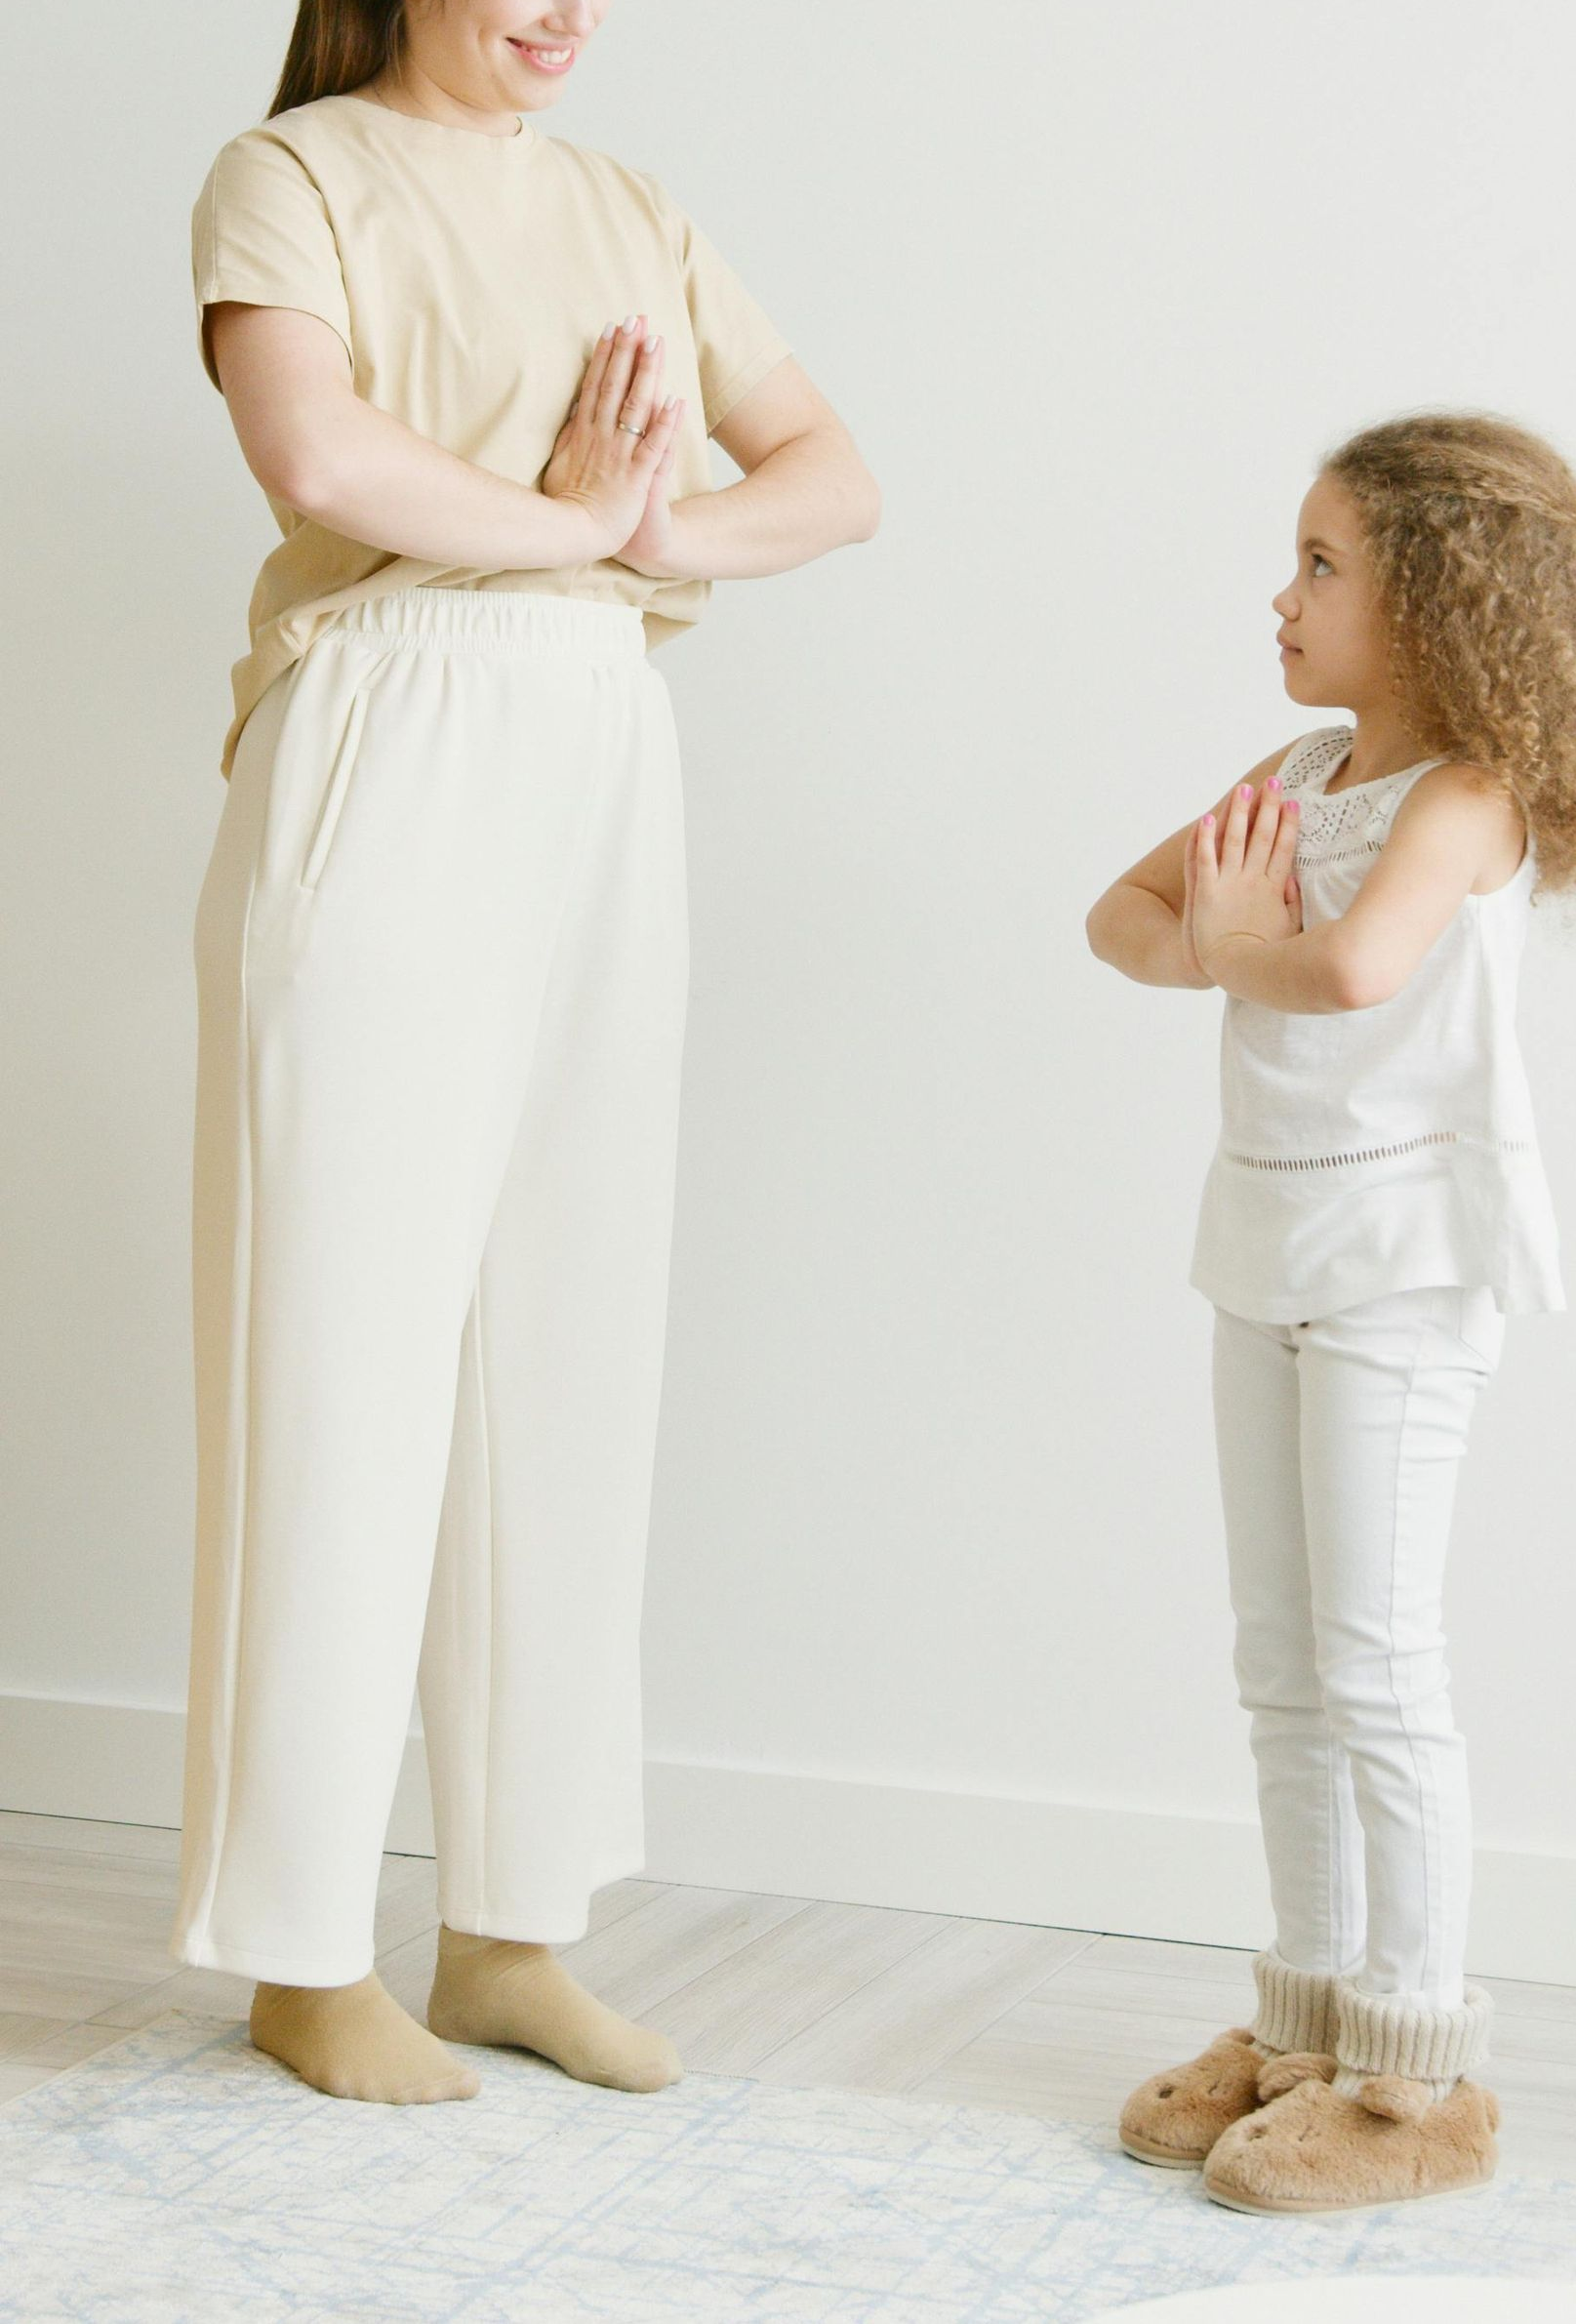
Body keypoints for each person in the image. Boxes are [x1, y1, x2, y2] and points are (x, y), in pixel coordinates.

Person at [173, 0, 879, 2109]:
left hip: (600, 735)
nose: (568, 9)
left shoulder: (630, 205)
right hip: (387, 714)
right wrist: (570, 522)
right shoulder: (291, 175)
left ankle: (512, 1926)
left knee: (566, 1341)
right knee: (339, 1344)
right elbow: (317, 459)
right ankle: (301, 1950)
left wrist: (641, 538)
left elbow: (834, 480)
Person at [1085, 411, 1576, 2214]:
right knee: (1281, 1662)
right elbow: (1117, 917)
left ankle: (1418, 2076)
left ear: (1429, 599)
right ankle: (1308, 2023)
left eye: (1320, 565)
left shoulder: (1464, 796)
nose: (1282, 594)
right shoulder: (1297, 771)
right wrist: (1213, 934)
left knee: (1380, 1663)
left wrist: (1225, 944)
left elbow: (1347, 967)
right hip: (1264, 1249)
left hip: (1402, 1264)